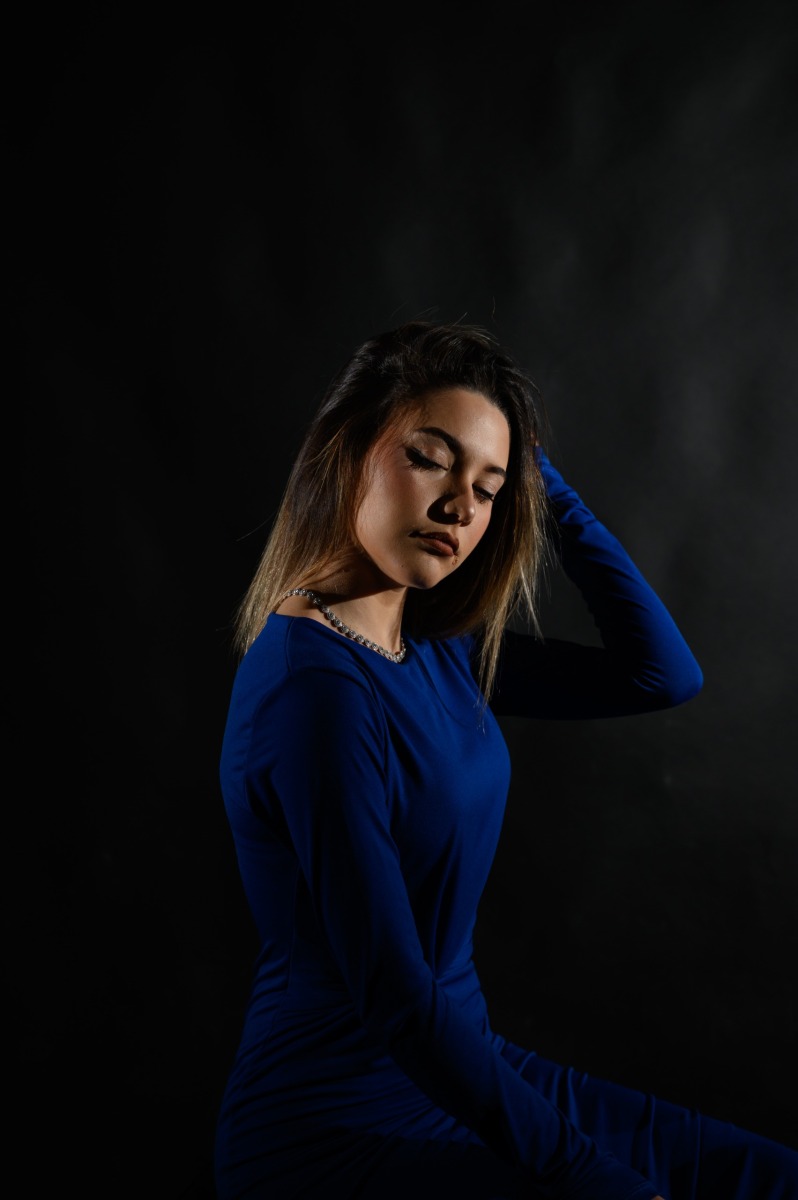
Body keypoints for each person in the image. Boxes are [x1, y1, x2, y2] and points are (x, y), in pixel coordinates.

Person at [213, 320, 798, 1199]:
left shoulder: (438, 644)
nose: (461, 507)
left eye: (487, 489)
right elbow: (396, 996)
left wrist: (537, 483)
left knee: (769, 1180)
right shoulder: (312, 688)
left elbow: (662, 674)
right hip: (332, 1126)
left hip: (467, 1071)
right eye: (430, 459)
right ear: (347, 451)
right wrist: (591, 1176)